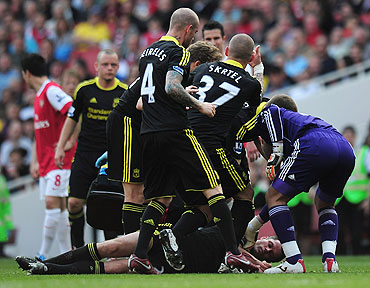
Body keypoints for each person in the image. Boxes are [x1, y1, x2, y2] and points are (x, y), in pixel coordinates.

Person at [129, 7, 255, 274]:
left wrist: (179, 93)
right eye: (195, 32)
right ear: (188, 29)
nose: (194, 38)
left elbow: (145, 98)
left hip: (149, 134)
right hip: (176, 132)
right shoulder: (180, 52)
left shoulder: (147, 53)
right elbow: (172, 87)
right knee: (214, 190)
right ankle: (233, 253)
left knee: (159, 199)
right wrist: (199, 105)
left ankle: (140, 255)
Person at [95, 41, 224, 235]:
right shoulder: (176, 74)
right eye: (209, 68)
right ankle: (130, 251)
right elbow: (140, 103)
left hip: (143, 128)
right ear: (197, 64)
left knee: (158, 195)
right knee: (135, 194)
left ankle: (142, 246)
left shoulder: (171, 70)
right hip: (128, 122)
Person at [242, 94, 355, 273]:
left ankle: (294, 261)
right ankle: (330, 261)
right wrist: (254, 225)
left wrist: (276, 151)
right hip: (345, 148)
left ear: (263, 140)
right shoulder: (296, 125)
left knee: (273, 195)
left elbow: (271, 110)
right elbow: (281, 196)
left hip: (315, 144)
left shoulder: (269, 119)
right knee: (324, 203)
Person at [15, 202, 284, 275]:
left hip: (179, 266)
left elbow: (264, 267)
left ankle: (45, 269)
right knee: (112, 246)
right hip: (170, 240)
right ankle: (45, 261)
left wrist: (279, 264)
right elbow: (260, 213)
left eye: (271, 251)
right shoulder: (243, 235)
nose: (267, 246)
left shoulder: (247, 265)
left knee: (114, 267)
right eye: (271, 242)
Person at [185, 33, 262, 245]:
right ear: (251, 58)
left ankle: (172, 238)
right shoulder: (250, 83)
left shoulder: (201, 69)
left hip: (183, 140)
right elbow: (254, 112)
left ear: (226, 51)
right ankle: (234, 252)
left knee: (205, 203)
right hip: (211, 145)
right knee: (244, 193)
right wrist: (258, 70)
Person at [54, 49, 127, 248]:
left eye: (113, 65)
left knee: (109, 205)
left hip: (112, 157)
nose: (109, 68)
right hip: (85, 154)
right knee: (74, 204)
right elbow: (72, 119)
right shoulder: (84, 90)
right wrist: (60, 146)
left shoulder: (124, 92)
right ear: (96, 67)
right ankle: (77, 248)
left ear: (118, 67)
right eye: (105, 64)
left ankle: (111, 249)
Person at [21, 53, 77, 260]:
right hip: (46, 161)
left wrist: (69, 141)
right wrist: (35, 161)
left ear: (26, 74)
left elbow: (74, 110)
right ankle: (65, 254)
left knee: (52, 205)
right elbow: (40, 133)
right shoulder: (39, 95)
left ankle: (42, 254)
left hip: (59, 160)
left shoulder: (51, 90)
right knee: (59, 208)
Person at [336, 126, 369, 255]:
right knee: (339, 230)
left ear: (355, 137)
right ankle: (340, 256)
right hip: (340, 197)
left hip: (358, 198)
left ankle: (358, 255)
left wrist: (368, 199)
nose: (348, 138)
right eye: (346, 135)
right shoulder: (337, 153)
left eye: (351, 136)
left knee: (357, 230)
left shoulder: (364, 153)